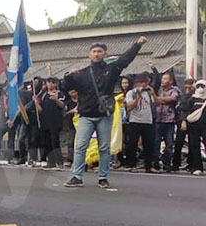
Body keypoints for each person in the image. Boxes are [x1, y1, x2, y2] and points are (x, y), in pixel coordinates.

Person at [62, 37, 146, 188]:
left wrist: (138, 44)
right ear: (89, 55)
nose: (96, 54)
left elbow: (126, 59)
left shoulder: (111, 69)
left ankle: (103, 177)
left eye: (99, 51)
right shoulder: (81, 73)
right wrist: (68, 74)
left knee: (104, 148)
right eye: (94, 51)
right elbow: (65, 87)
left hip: (104, 116)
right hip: (86, 116)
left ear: (105, 54)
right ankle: (76, 176)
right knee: (80, 147)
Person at [123, 72, 159, 173]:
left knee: (149, 144)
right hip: (135, 121)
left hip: (148, 120)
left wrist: (153, 94)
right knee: (132, 144)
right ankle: (132, 164)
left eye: (146, 82)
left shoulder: (148, 92)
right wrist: (138, 96)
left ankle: (148, 166)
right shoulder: (131, 92)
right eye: (141, 82)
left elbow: (157, 104)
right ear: (137, 83)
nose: (144, 84)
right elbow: (129, 107)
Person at [152, 71, 179, 172]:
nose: (163, 81)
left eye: (165, 79)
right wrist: (159, 99)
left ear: (171, 81)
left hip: (170, 121)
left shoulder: (174, 89)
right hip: (158, 120)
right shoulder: (158, 89)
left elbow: (172, 98)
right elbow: (155, 100)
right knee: (156, 143)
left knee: (169, 144)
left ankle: (167, 164)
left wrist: (158, 98)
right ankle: (155, 164)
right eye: (162, 79)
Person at [37, 77, 65, 169]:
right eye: (48, 82)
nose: (50, 84)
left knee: (55, 141)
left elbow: (62, 105)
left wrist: (55, 99)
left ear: (56, 84)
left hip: (55, 121)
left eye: (53, 82)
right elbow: (40, 110)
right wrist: (36, 102)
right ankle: (51, 161)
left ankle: (59, 162)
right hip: (45, 121)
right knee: (47, 142)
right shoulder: (43, 95)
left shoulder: (59, 93)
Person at [183, 79, 206, 175]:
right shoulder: (192, 99)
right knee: (194, 146)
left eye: (202, 86)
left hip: (205, 125)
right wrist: (184, 121)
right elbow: (185, 110)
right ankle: (197, 167)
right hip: (193, 125)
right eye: (198, 86)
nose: (200, 88)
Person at [172, 77, 194, 172]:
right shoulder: (183, 96)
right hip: (182, 122)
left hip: (194, 123)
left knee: (193, 144)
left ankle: (191, 164)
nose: (188, 89)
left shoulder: (196, 96)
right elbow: (182, 109)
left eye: (190, 87)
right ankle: (176, 164)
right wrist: (183, 120)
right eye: (186, 87)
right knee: (178, 143)